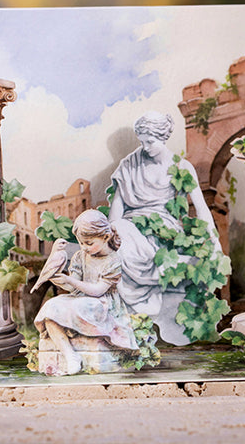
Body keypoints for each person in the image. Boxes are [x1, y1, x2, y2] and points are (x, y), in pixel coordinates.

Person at [107, 111, 221, 345]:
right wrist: (109, 236)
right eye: (142, 141)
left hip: (165, 230)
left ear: (163, 137)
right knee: (118, 229)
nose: (145, 147)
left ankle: (148, 306)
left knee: (134, 241)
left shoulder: (182, 167)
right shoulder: (129, 164)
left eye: (150, 142)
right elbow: (117, 207)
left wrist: (213, 239)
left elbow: (201, 208)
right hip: (131, 226)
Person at [34, 209, 139, 375]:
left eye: (89, 243)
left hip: (102, 303)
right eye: (81, 243)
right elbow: (74, 287)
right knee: (51, 306)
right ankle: (70, 355)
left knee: (85, 306)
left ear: (106, 237)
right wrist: (61, 280)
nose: (84, 247)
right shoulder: (80, 256)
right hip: (80, 298)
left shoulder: (113, 261)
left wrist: (71, 281)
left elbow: (98, 290)